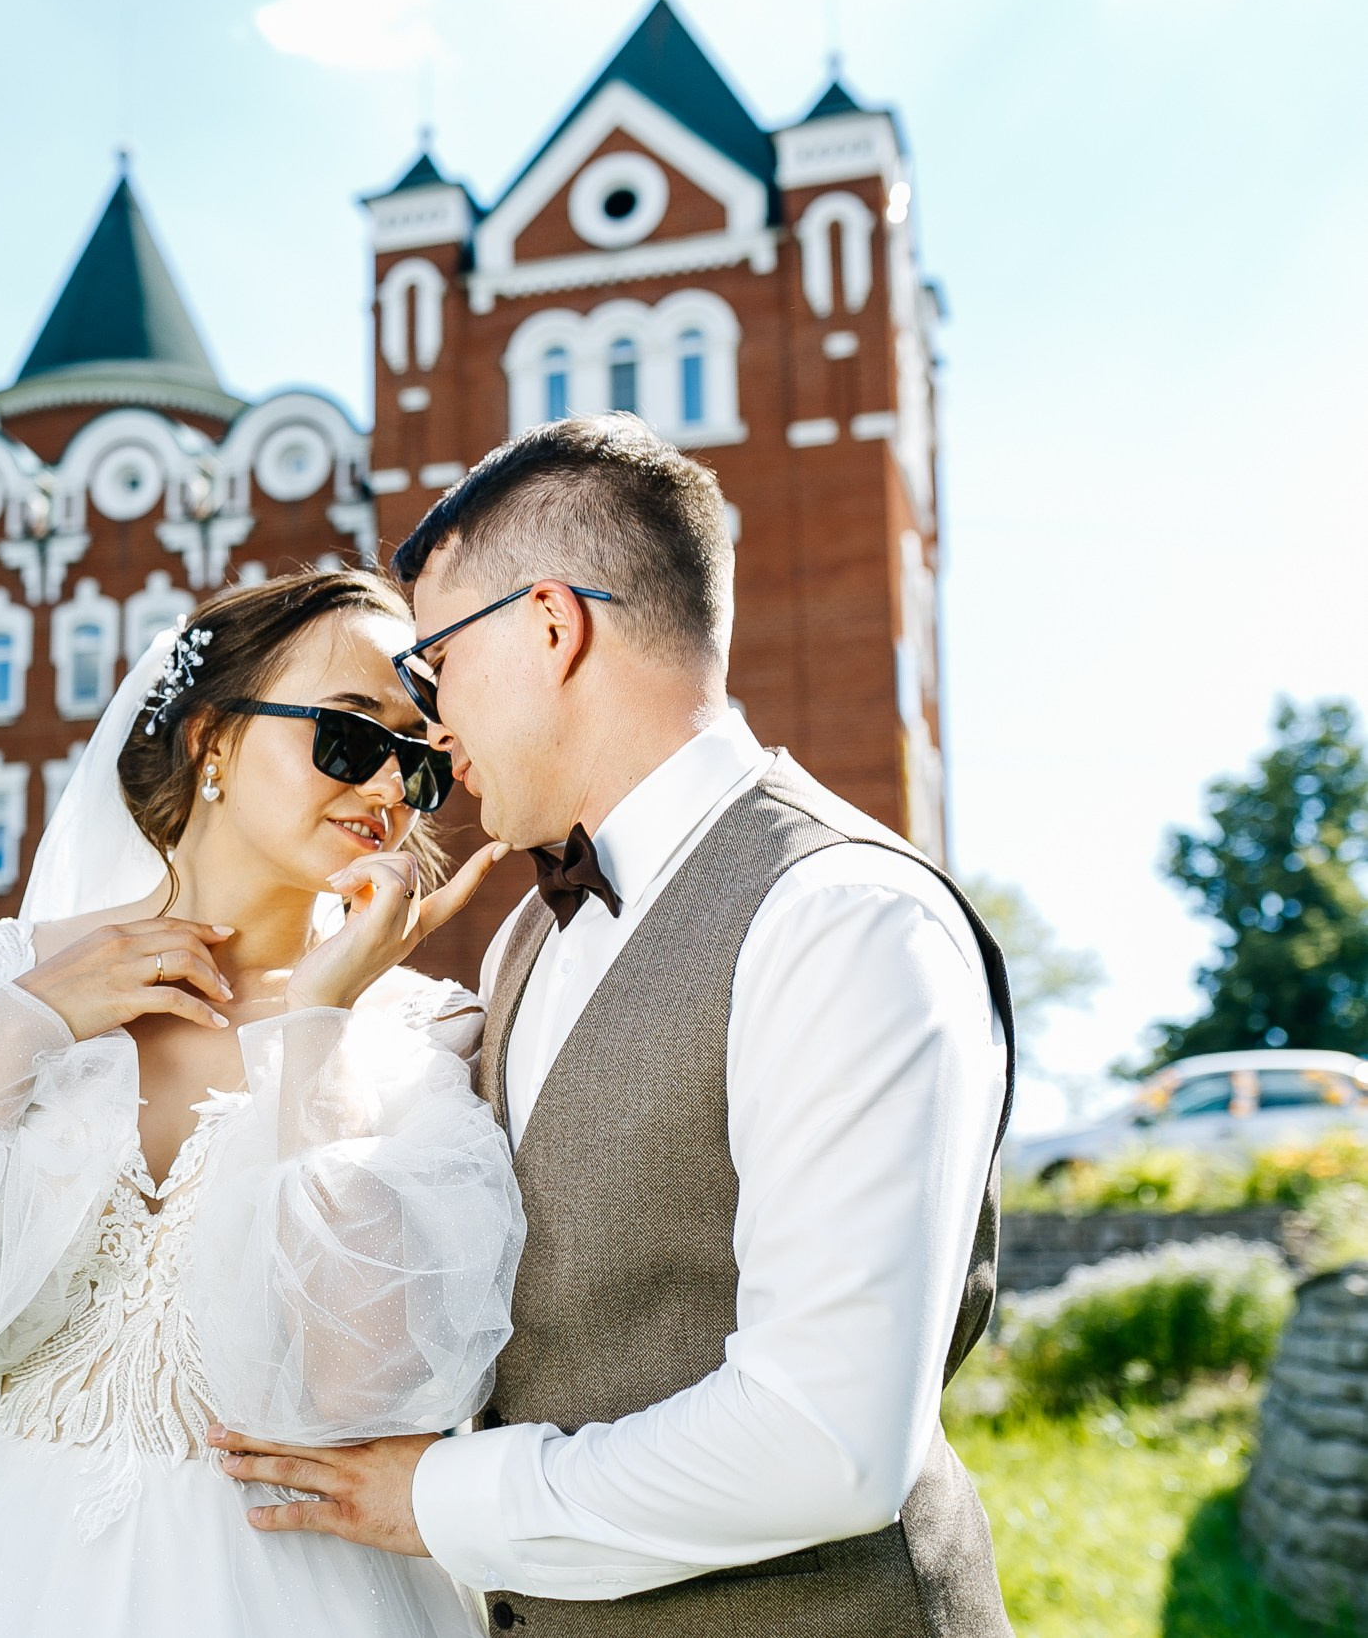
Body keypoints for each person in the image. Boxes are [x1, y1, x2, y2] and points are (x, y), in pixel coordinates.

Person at [211, 415, 1019, 1636]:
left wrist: (437, 1498)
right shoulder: (528, 937)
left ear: (549, 626)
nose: (428, 730)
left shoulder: (843, 916)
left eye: (434, 666)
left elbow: (824, 1435)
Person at [0, 569, 527, 1637]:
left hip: (303, 1594)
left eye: (419, 759)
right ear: (212, 740)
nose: (387, 783)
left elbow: (355, 1389)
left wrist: (319, 1022)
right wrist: (19, 1028)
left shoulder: (418, 1034)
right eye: (348, 734)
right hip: (1, 1580)